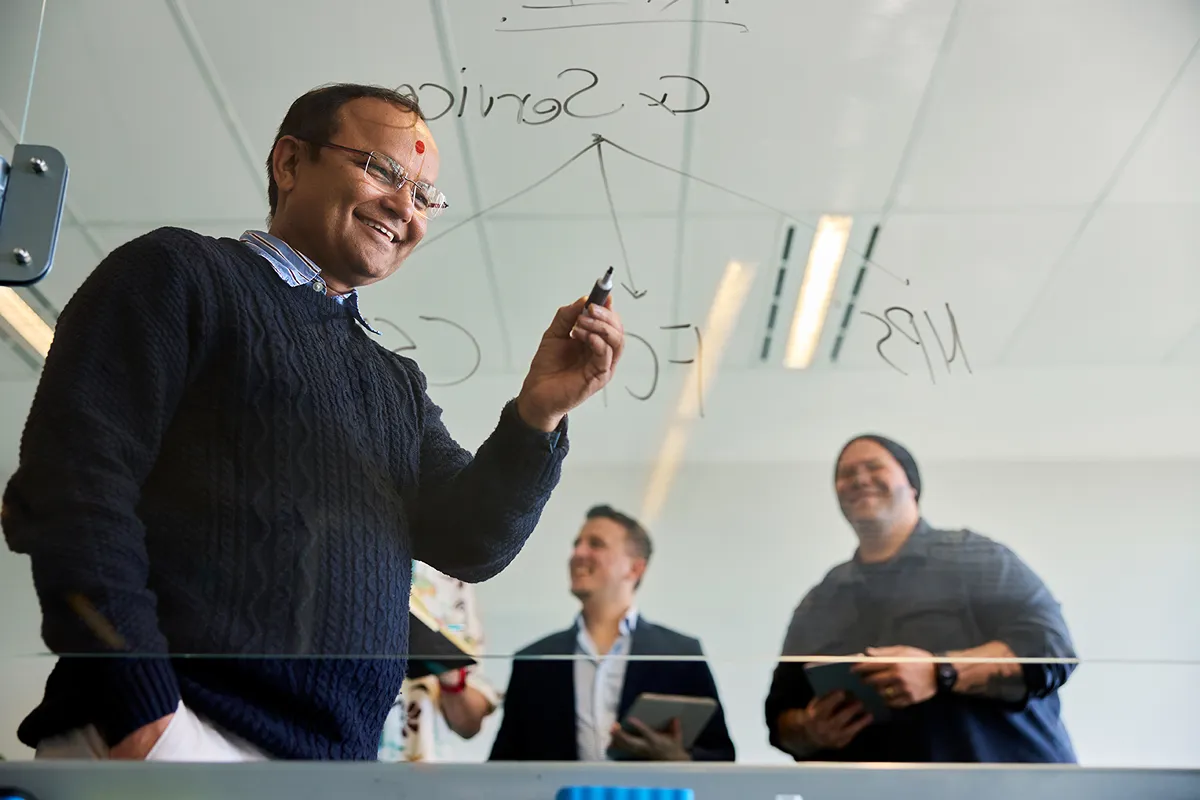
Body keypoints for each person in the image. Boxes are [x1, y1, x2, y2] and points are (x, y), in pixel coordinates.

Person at [1, 83, 625, 762]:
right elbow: (73, 486)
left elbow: (472, 544)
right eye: (384, 170)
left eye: (424, 195)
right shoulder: (182, 274)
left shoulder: (394, 383)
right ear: (290, 164)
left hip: (329, 767)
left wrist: (539, 413)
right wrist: (140, 709)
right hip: (176, 736)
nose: (404, 208)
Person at [764, 434, 1077, 763]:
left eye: (874, 466)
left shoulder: (976, 558)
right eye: (845, 474)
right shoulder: (821, 599)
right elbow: (780, 718)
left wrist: (940, 672)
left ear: (912, 485)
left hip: (1002, 789)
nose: (858, 478)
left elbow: (1050, 650)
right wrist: (811, 730)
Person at [489, 505, 735, 762]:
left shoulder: (681, 654)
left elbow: (721, 756)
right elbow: (503, 765)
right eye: (577, 544)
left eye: (595, 544)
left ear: (635, 569)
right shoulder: (534, 661)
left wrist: (679, 759)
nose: (578, 553)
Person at [378, 560, 499, 761]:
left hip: (418, 767)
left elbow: (469, 724)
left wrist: (450, 675)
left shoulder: (453, 579)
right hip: (338, 754)